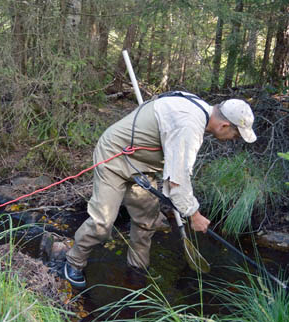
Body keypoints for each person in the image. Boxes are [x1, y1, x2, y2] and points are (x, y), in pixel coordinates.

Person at [62, 92, 257, 289]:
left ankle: (136, 270)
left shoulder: (198, 109)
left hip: (143, 167)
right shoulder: (189, 126)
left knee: (146, 222)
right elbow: (177, 182)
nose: (233, 139)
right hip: (114, 157)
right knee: (102, 222)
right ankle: (73, 262)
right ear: (224, 125)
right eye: (235, 135)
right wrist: (194, 214)